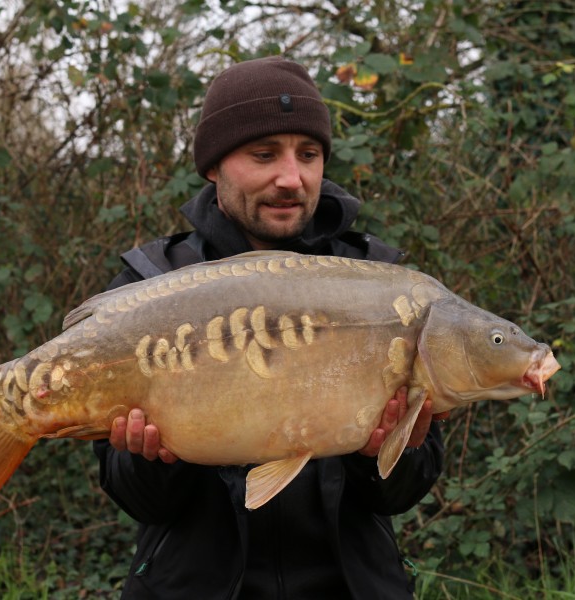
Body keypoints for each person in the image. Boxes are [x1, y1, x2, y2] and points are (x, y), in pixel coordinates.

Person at [94, 56, 445, 599]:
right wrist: (150, 460)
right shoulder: (151, 286)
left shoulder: (382, 287)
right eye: (264, 155)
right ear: (213, 167)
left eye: (308, 155)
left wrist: (383, 451)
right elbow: (143, 503)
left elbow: (399, 495)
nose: (291, 178)